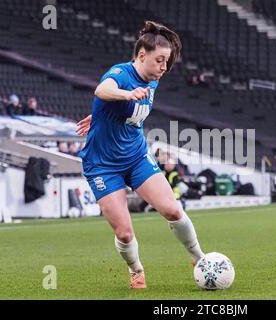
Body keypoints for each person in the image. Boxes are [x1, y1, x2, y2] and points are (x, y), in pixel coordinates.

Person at [76, 21, 205, 289]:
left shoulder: (153, 80)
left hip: (135, 156)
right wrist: (125, 94)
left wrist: (100, 115)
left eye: (166, 62)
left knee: (172, 209)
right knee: (123, 231)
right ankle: (136, 270)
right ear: (142, 55)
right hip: (102, 165)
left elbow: (115, 108)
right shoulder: (121, 74)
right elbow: (102, 90)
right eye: (159, 60)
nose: (163, 67)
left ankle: (199, 258)